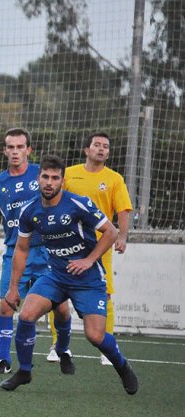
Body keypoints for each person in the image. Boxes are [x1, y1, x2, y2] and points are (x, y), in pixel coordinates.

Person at [0, 155, 138, 395]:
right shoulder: (29, 210)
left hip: (88, 279)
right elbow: (21, 249)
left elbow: (111, 232)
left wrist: (88, 260)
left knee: (95, 336)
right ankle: (24, 371)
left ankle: (123, 366)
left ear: (62, 181)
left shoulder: (78, 204)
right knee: (27, 315)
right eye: (45, 177)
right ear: (38, 179)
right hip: (56, 276)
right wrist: (13, 288)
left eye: (55, 178)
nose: (49, 182)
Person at [0, 128, 70, 374]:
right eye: (10, 147)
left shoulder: (42, 176)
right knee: (7, 305)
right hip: (15, 251)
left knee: (61, 307)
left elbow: (63, 204)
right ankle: (4, 361)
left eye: (20, 147)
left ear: (28, 150)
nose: (15, 152)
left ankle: (63, 349)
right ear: (4, 151)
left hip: (47, 250)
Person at [63, 132, 133, 366]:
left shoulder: (114, 179)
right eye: (97, 145)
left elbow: (122, 209)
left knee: (105, 293)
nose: (102, 149)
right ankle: (58, 346)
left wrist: (122, 236)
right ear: (87, 150)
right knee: (59, 293)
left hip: (101, 244)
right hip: (66, 242)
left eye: (106, 146)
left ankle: (106, 347)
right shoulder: (69, 174)